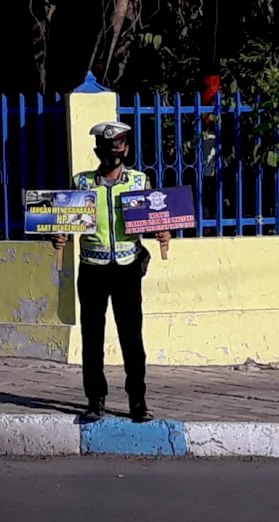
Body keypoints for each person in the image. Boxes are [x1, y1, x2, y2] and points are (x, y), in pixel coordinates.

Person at [51, 121, 170, 422]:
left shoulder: (139, 182)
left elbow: (155, 218)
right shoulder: (81, 184)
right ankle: (95, 399)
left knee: (132, 337)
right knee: (92, 337)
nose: (112, 153)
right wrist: (58, 234)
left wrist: (163, 233)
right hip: (92, 267)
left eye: (118, 147)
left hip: (128, 268)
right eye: (106, 148)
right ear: (97, 151)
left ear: (126, 149)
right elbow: (67, 220)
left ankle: (138, 401)